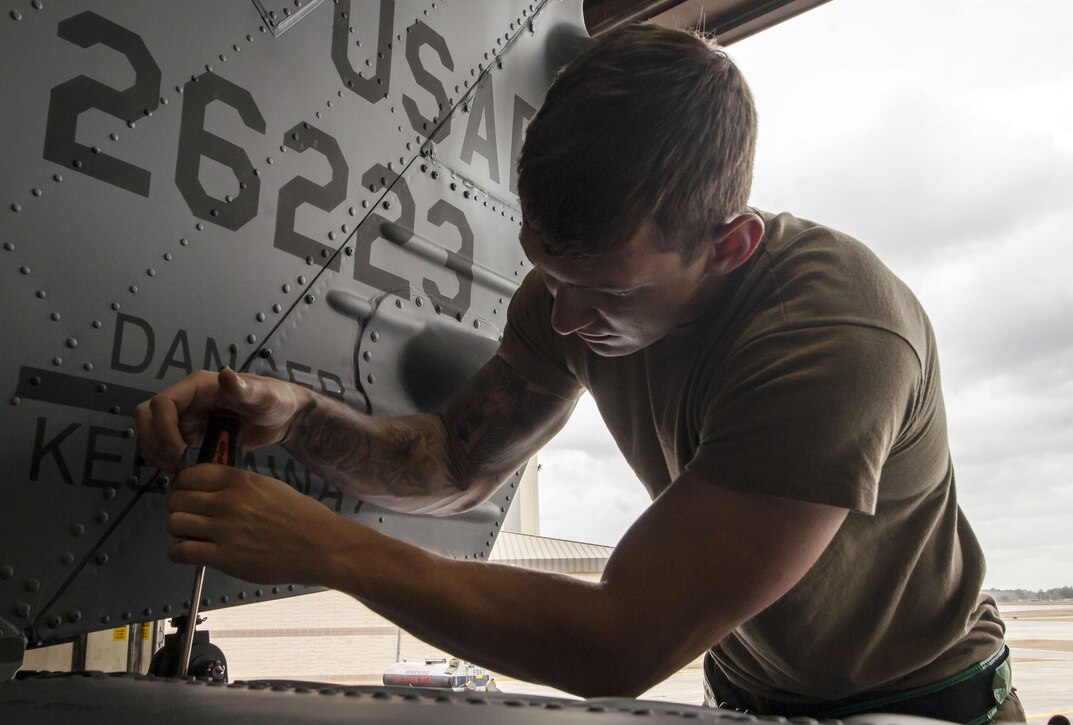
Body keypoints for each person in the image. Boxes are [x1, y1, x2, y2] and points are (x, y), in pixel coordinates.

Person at [136, 23, 1024, 722]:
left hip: (918, 699)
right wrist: (295, 417)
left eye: (603, 291)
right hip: (751, 697)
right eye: (548, 275)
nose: (562, 319)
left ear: (730, 246)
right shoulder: (569, 298)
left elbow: (621, 642)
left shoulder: (835, 335)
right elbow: (452, 461)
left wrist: (325, 546)